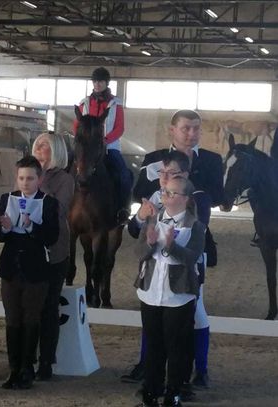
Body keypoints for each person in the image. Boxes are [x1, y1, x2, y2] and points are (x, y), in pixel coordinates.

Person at [131, 109, 225, 389]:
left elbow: (217, 197)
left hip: (191, 241)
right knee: (153, 307)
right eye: (185, 128)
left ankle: (199, 369)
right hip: (153, 244)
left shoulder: (211, 160)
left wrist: (185, 193)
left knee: (194, 312)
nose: (191, 133)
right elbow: (140, 193)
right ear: (172, 130)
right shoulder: (152, 160)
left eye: (196, 128)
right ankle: (148, 367)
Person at [135, 177, 205, 407]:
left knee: (176, 346)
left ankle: (173, 392)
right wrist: (149, 242)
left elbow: (192, 257)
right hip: (151, 291)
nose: (166, 196)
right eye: (165, 191)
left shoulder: (195, 225)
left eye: (172, 193)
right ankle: (150, 392)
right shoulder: (153, 219)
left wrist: (171, 246)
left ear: (185, 199)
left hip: (178, 295)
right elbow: (139, 253)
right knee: (153, 344)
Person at [0, 156, 59, 390]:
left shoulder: (49, 203)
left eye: (30, 178)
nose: (25, 182)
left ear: (39, 179)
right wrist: (5, 228)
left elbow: (52, 236)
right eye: (21, 178)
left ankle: (27, 368)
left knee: (31, 319)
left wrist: (31, 226)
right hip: (10, 268)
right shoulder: (6, 199)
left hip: (36, 268)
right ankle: (13, 369)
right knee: (12, 320)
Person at [31, 133, 74, 380]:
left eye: (45, 144)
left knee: (48, 307)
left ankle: (46, 360)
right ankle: (28, 357)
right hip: (28, 249)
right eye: (37, 143)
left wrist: (37, 183)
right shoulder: (27, 172)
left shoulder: (64, 179)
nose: (39, 147)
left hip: (54, 251)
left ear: (56, 151)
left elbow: (58, 209)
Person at [74, 67, 132, 224]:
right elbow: (77, 125)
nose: (97, 84)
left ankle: (123, 209)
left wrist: (105, 141)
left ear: (106, 83)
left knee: (125, 175)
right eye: (95, 81)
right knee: (68, 170)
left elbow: (120, 128)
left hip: (110, 146)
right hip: (87, 147)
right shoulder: (84, 103)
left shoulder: (115, 104)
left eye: (100, 81)